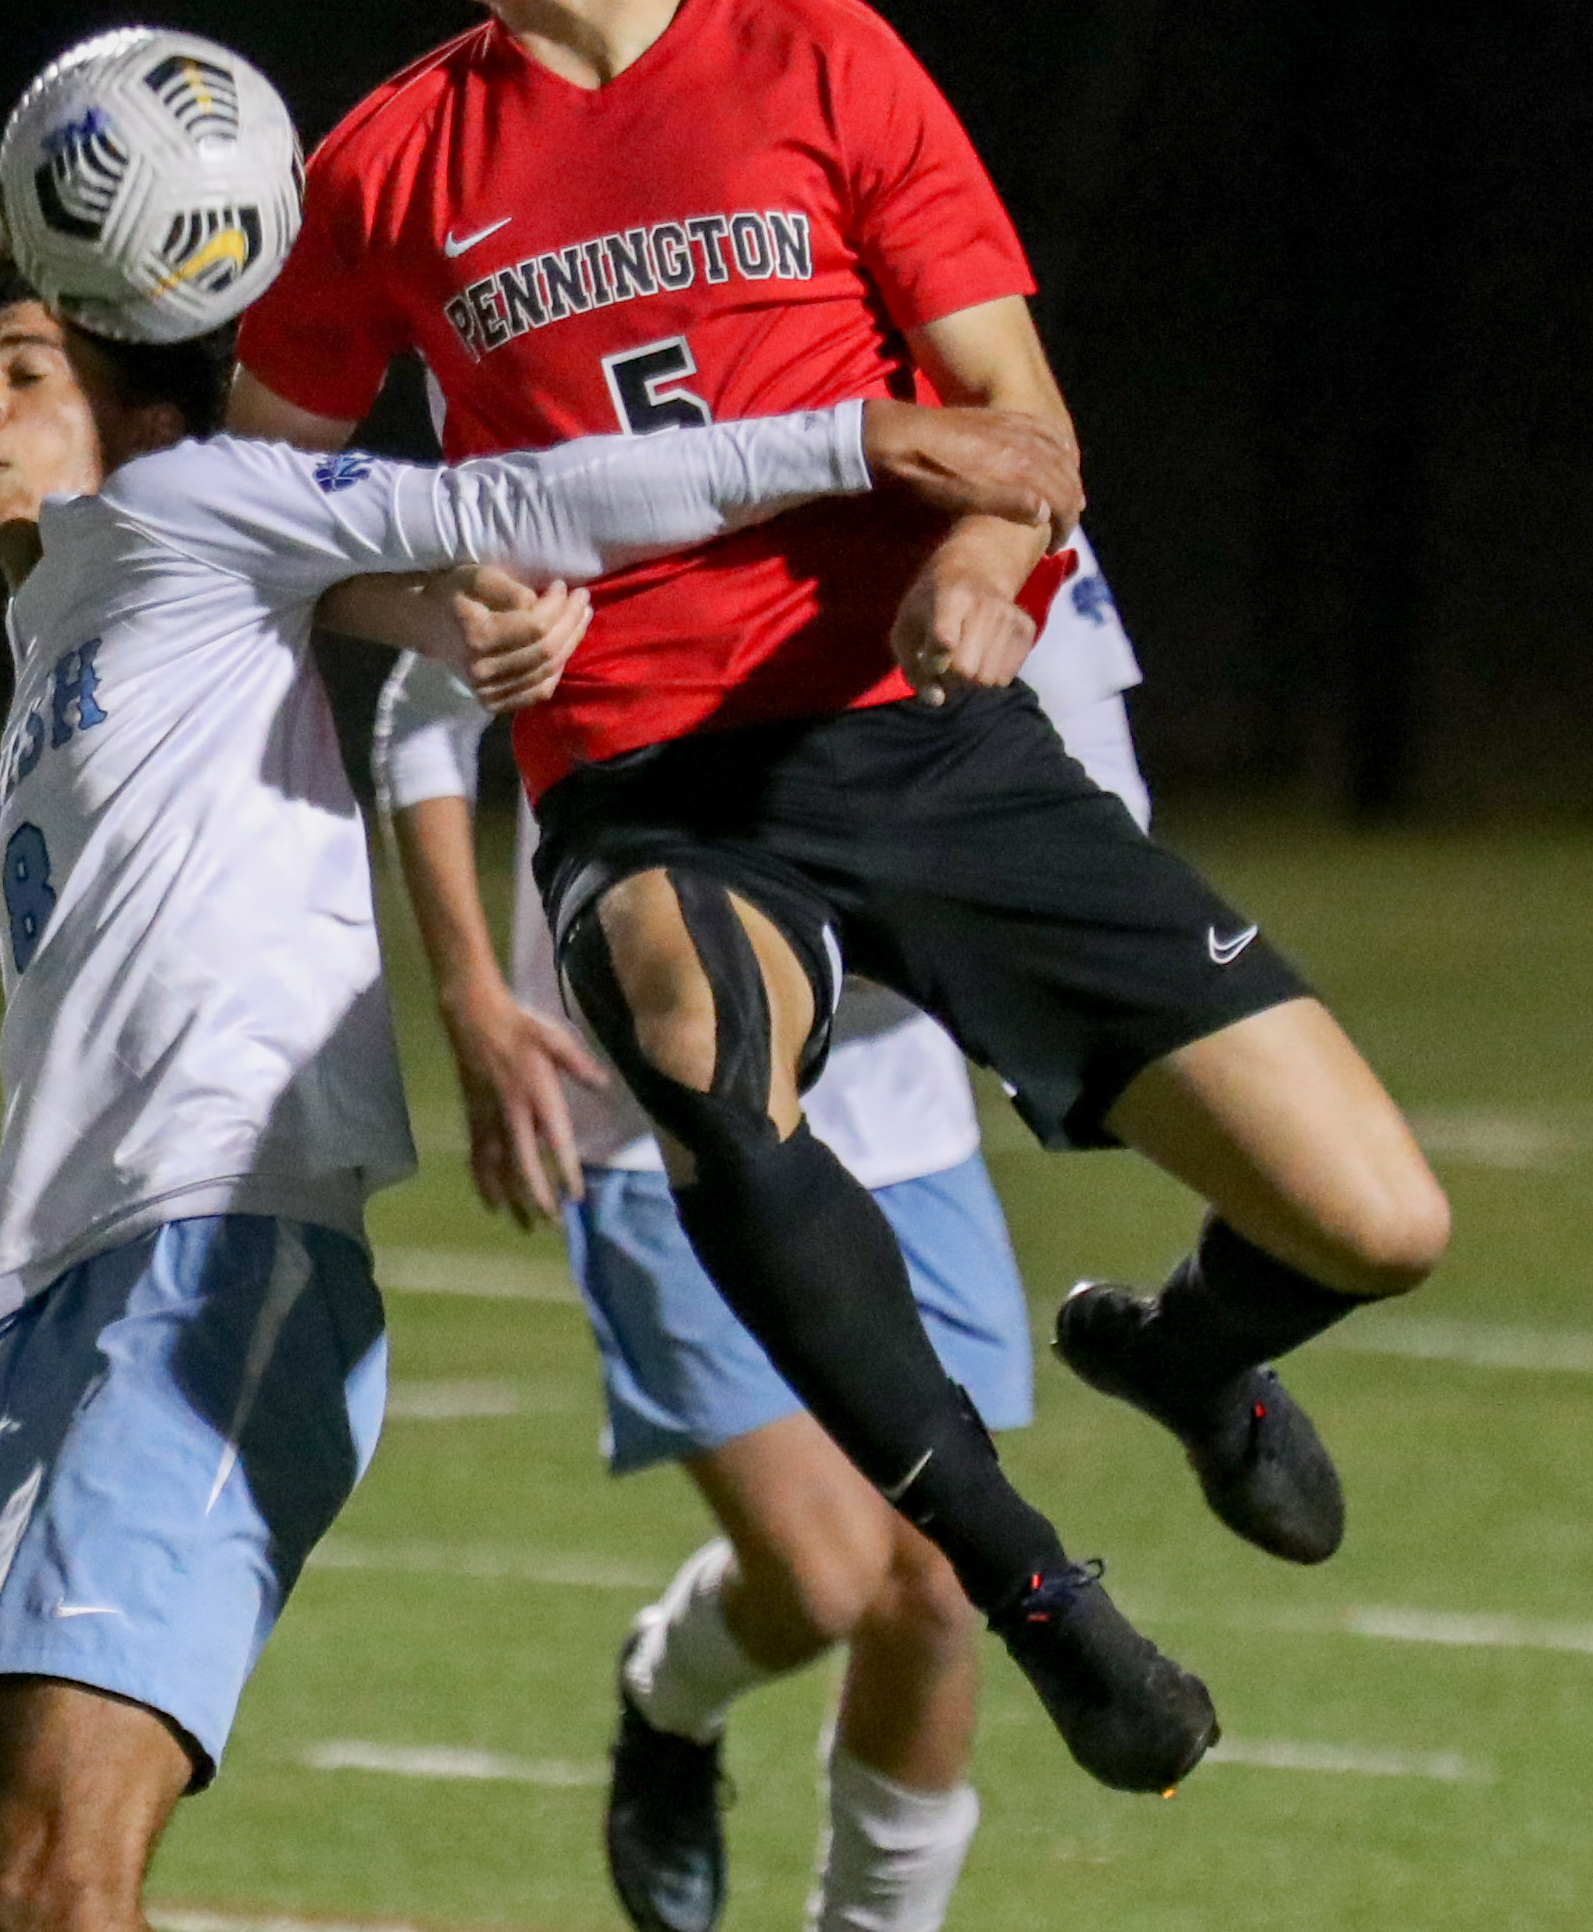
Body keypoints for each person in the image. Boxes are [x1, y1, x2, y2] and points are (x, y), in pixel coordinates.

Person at [226, 0, 1453, 1799]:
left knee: (1379, 1220)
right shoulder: (387, 164)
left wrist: (986, 564)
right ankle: (1037, 1594)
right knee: (692, 1027)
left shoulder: (821, 56)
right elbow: (255, 530)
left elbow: (1021, 427)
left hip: (919, 743)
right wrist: (432, 598)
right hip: (647, 790)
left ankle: (1184, 1353)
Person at [0, 195, 1079, 1932]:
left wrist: (867, 432)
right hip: (51, 1320)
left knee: (44, 1888)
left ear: (142, 400)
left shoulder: (182, 501)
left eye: (25, 368)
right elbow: (426, 592)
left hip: (212, 1281)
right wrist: (454, 622)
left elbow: (517, 499)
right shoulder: (72, 619)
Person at [377, 531, 1151, 1932]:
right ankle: (668, 1694)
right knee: (824, 1571)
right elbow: (423, 714)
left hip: (905, 1123)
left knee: (933, 1584)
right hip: (660, 1116)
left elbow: (1110, 794)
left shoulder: (1002, 512)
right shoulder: (612, 463)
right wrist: (475, 995)